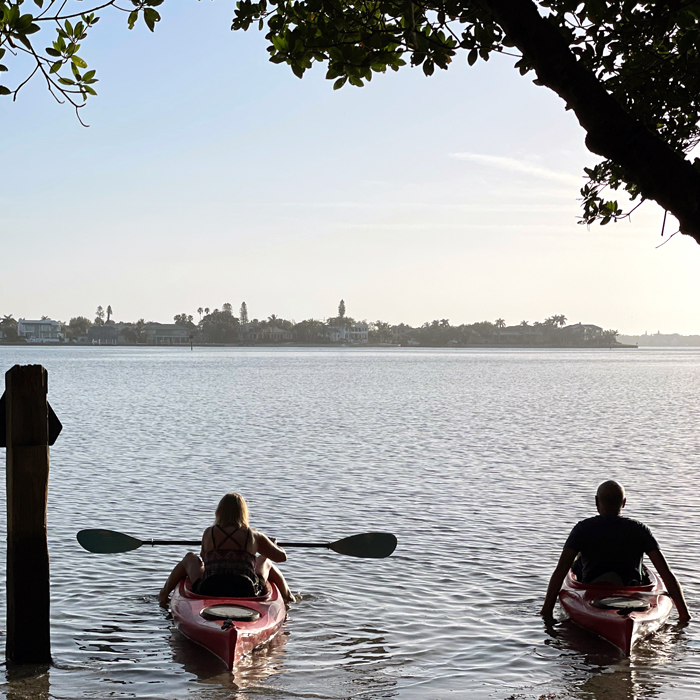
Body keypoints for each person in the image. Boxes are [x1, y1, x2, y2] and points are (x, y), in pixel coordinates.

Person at [540, 480, 690, 623]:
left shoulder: (582, 529)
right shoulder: (639, 529)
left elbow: (561, 571)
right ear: (624, 502)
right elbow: (665, 573)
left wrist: (546, 612)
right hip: (631, 589)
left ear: (596, 502)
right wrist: (684, 615)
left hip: (592, 588)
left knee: (577, 563)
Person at [158, 492, 296, 607]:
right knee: (265, 561)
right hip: (245, 589)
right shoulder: (253, 535)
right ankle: (289, 598)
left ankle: (164, 594)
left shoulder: (209, 533)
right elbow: (281, 557)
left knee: (190, 557)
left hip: (209, 588)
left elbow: (204, 559)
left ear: (219, 511)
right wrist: (274, 545)